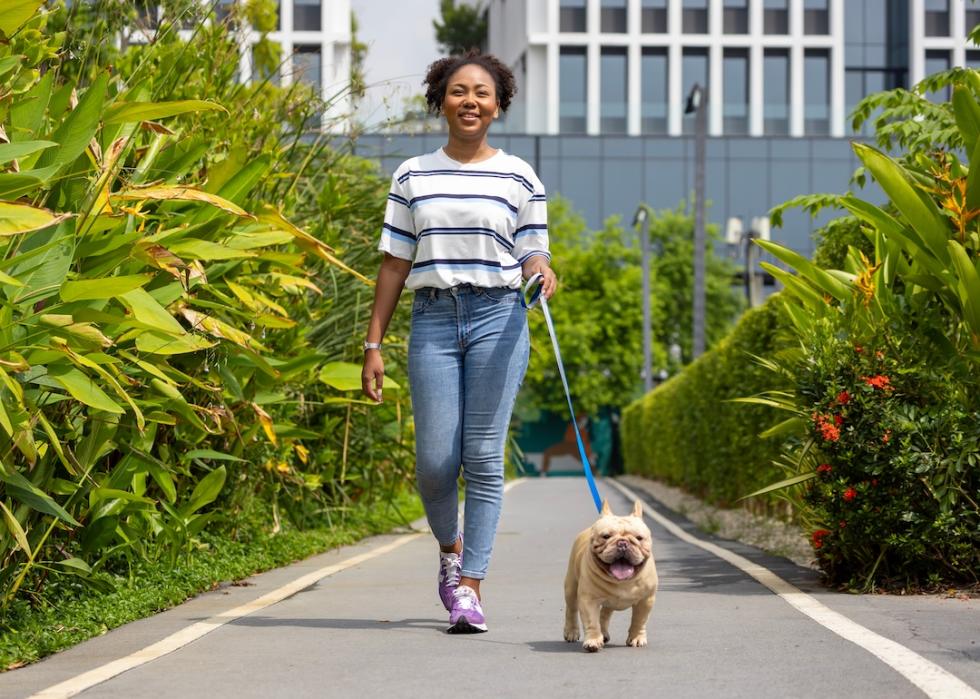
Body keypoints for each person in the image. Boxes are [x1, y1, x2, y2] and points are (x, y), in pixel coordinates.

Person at [360, 50, 557, 634]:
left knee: (483, 457)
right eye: (458, 91)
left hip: (500, 316)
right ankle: (451, 551)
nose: (470, 101)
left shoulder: (520, 175)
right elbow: (395, 263)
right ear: (440, 101)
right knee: (435, 463)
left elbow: (533, 249)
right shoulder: (412, 175)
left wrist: (542, 270)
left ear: (498, 105)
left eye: (482, 93)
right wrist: (373, 345)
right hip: (434, 318)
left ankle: (470, 587)